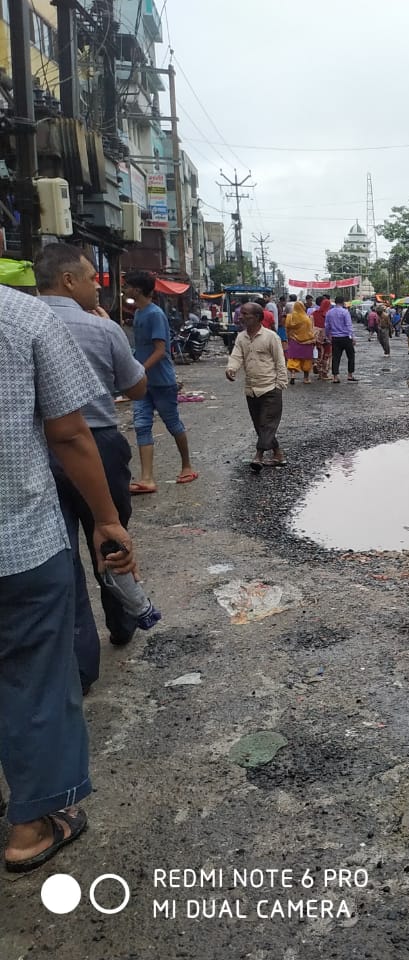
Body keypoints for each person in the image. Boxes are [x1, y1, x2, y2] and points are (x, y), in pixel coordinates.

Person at [0, 282, 136, 873]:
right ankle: (30, 826)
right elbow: (69, 432)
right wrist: (107, 519)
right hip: (18, 541)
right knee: (35, 676)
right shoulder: (21, 315)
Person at [35, 244, 149, 688]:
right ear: (67, 280)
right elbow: (137, 387)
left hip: (37, 449)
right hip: (96, 443)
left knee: (59, 554)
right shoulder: (100, 327)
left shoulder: (19, 321)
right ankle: (121, 625)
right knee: (110, 538)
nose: (96, 285)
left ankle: (79, 664)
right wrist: (113, 335)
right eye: (88, 278)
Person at [124, 270, 197, 492]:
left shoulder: (155, 314)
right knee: (141, 425)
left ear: (137, 289)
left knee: (172, 423)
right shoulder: (139, 313)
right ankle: (147, 478)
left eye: (127, 286)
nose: (125, 290)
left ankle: (187, 466)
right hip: (143, 382)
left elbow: (160, 350)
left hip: (161, 381)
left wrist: (139, 368)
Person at [226, 302, 289, 472]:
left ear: (257, 317)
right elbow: (236, 356)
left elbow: (280, 361)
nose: (241, 316)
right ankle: (277, 454)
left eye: (245, 314)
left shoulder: (271, 337)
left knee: (267, 423)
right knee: (261, 425)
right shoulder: (241, 337)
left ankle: (258, 456)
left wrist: (280, 384)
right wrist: (231, 369)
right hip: (252, 389)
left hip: (271, 387)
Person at [325, 295, 358, 382]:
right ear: (343, 302)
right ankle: (350, 375)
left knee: (336, 357)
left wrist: (327, 336)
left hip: (335, 338)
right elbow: (349, 325)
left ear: (335, 302)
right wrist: (353, 337)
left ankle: (335, 377)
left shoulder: (329, 312)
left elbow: (327, 326)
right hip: (346, 337)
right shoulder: (345, 312)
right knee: (351, 356)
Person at [285, 299, 317, 385]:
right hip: (306, 342)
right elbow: (310, 330)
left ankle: (292, 375)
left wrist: (289, 338)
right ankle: (306, 378)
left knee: (293, 358)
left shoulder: (289, 317)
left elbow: (287, 329)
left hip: (293, 340)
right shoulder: (307, 318)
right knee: (306, 359)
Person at [312, 295, 332, 381]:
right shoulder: (329, 314)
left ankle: (318, 369)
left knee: (320, 353)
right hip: (327, 337)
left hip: (317, 337)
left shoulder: (314, 313)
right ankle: (324, 373)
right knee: (327, 355)